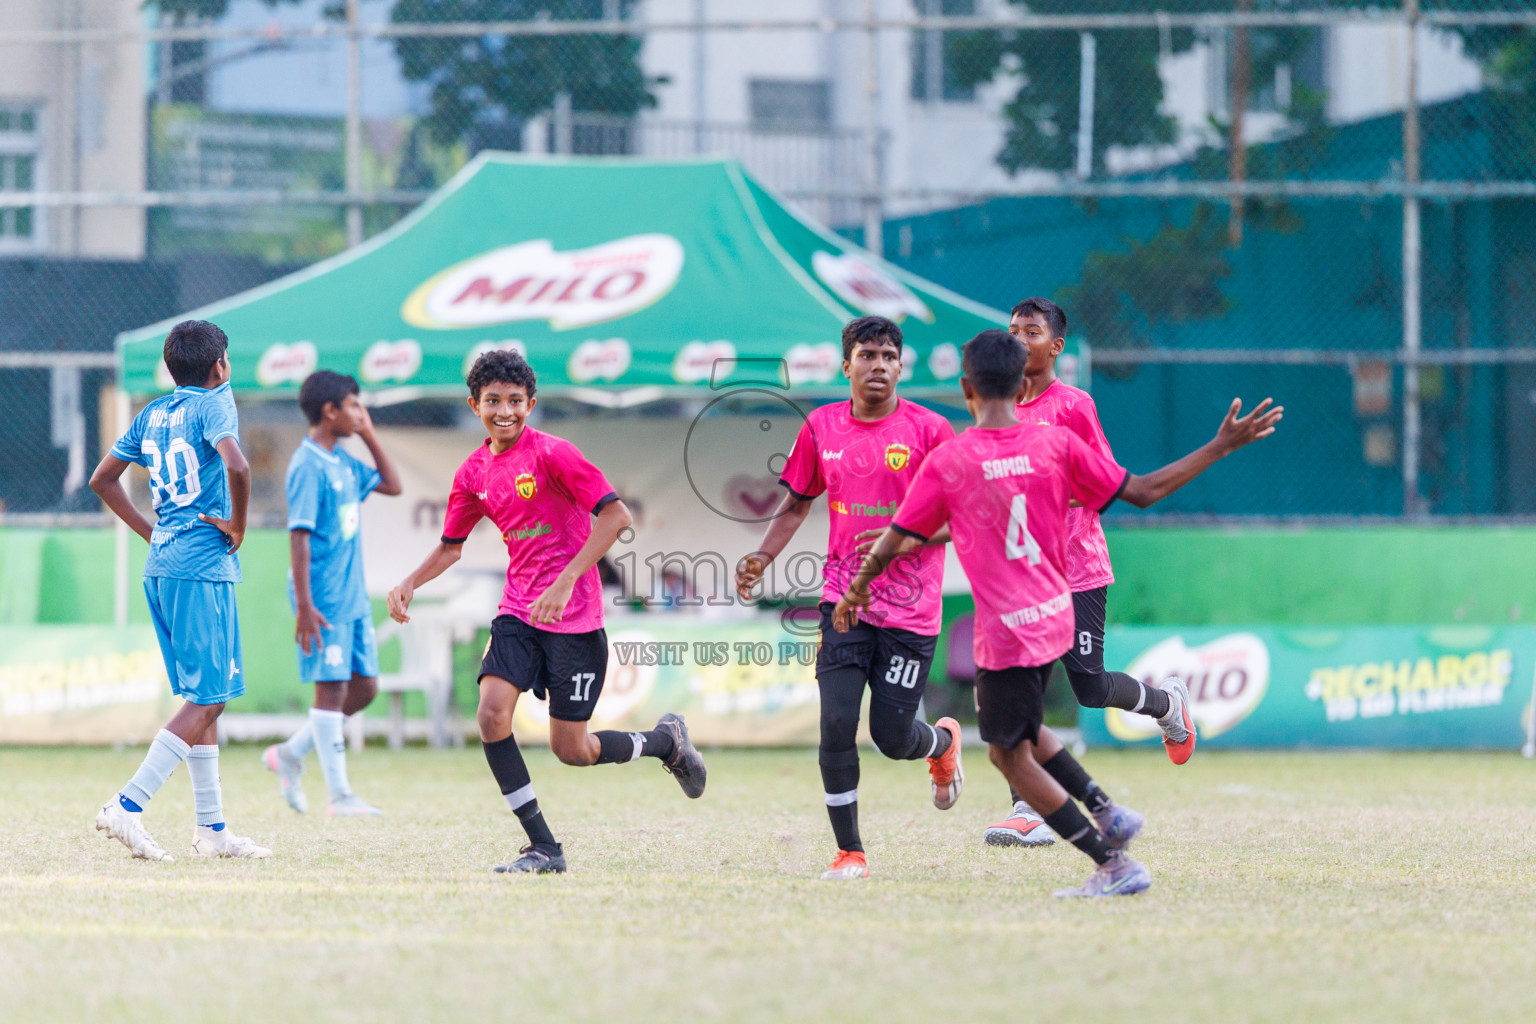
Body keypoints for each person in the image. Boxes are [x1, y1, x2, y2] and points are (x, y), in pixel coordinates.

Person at [833, 329, 1281, 897]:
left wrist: (854, 591)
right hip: (1053, 615)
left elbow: (898, 535)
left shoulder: (953, 460)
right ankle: (1106, 808)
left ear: (967, 389)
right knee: (1025, 728)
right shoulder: (1054, 446)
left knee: (1008, 755)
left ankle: (1111, 861)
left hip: (1006, 632)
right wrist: (1219, 446)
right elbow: (1143, 490)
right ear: (1020, 384)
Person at [386, 349, 707, 875]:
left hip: (574, 619)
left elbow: (616, 517)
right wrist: (409, 582)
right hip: (518, 611)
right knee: (491, 714)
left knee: (573, 750)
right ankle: (544, 848)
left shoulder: (555, 454)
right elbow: (450, 546)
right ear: (474, 406)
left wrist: (566, 579)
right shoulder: (472, 473)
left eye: (515, 401)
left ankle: (665, 742)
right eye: (493, 401)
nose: (504, 411)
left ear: (531, 404)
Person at [735, 315, 963, 882]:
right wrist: (762, 557)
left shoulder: (932, 430)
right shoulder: (821, 426)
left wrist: (903, 540)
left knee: (892, 737)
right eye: (867, 355)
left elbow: (964, 515)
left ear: (901, 366)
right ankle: (849, 852)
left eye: (888, 356)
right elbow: (796, 504)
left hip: (911, 609)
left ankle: (941, 743)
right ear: (847, 366)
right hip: (843, 602)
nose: (878, 365)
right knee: (836, 721)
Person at [984, 297, 1192, 847]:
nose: (1018, 339)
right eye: (1012, 330)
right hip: (1021, 576)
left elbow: (1104, 484)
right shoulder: (998, 406)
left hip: (1076, 569)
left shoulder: (1073, 405)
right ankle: (1027, 810)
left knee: (1091, 687)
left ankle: (1167, 704)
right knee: (1018, 688)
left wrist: (1047, 495)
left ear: (1056, 347)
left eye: (1031, 331)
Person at [88, 319, 270, 861]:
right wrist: (239, 525)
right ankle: (128, 804)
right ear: (220, 366)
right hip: (200, 566)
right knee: (208, 698)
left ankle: (211, 830)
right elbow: (237, 464)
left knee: (205, 699)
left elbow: (102, 479)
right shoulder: (213, 404)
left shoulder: (152, 413)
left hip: (164, 564)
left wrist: (151, 532)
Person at [262, 370, 402, 816]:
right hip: (322, 597)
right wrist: (305, 606)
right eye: (354, 406)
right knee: (331, 691)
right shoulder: (307, 465)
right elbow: (299, 537)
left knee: (365, 689)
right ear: (330, 411)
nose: (360, 413)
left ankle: (289, 753)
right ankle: (340, 796)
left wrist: (370, 435)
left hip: (352, 595)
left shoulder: (342, 461)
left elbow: (393, 485)